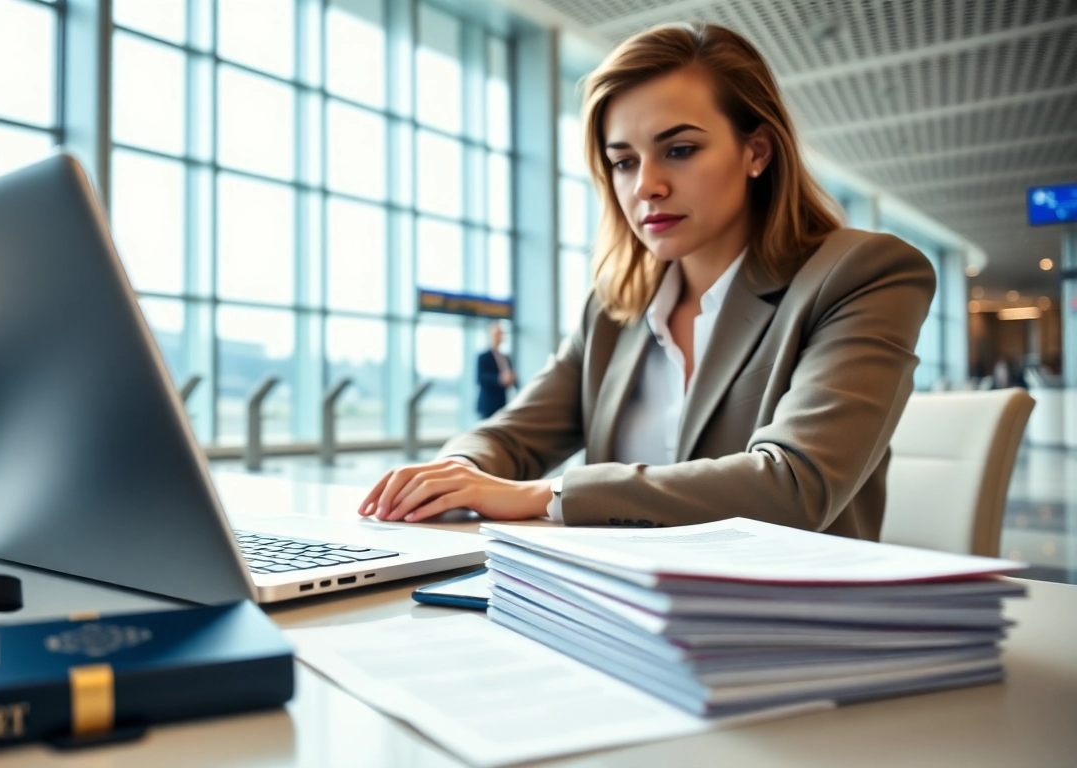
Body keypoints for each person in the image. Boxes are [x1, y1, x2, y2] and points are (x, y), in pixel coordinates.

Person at [357, 22, 935, 540]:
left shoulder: (862, 274)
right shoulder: (614, 310)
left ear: (756, 150)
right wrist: (458, 474)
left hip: (787, 626)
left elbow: (794, 483)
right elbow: (509, 437)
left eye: (679, 150)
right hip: (615, 614)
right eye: (624, 161)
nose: (645, 187)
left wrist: (549, 494)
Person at [476, 322, 516, 419]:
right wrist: (499, 379)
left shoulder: (506, 357)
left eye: (501, 334)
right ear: (491, 335)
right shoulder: (483, 357)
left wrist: (512, 378)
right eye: (497, 334)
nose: (500, 336)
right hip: (488, 405)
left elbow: (512, 379)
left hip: (502, 404)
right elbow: (480, 378)